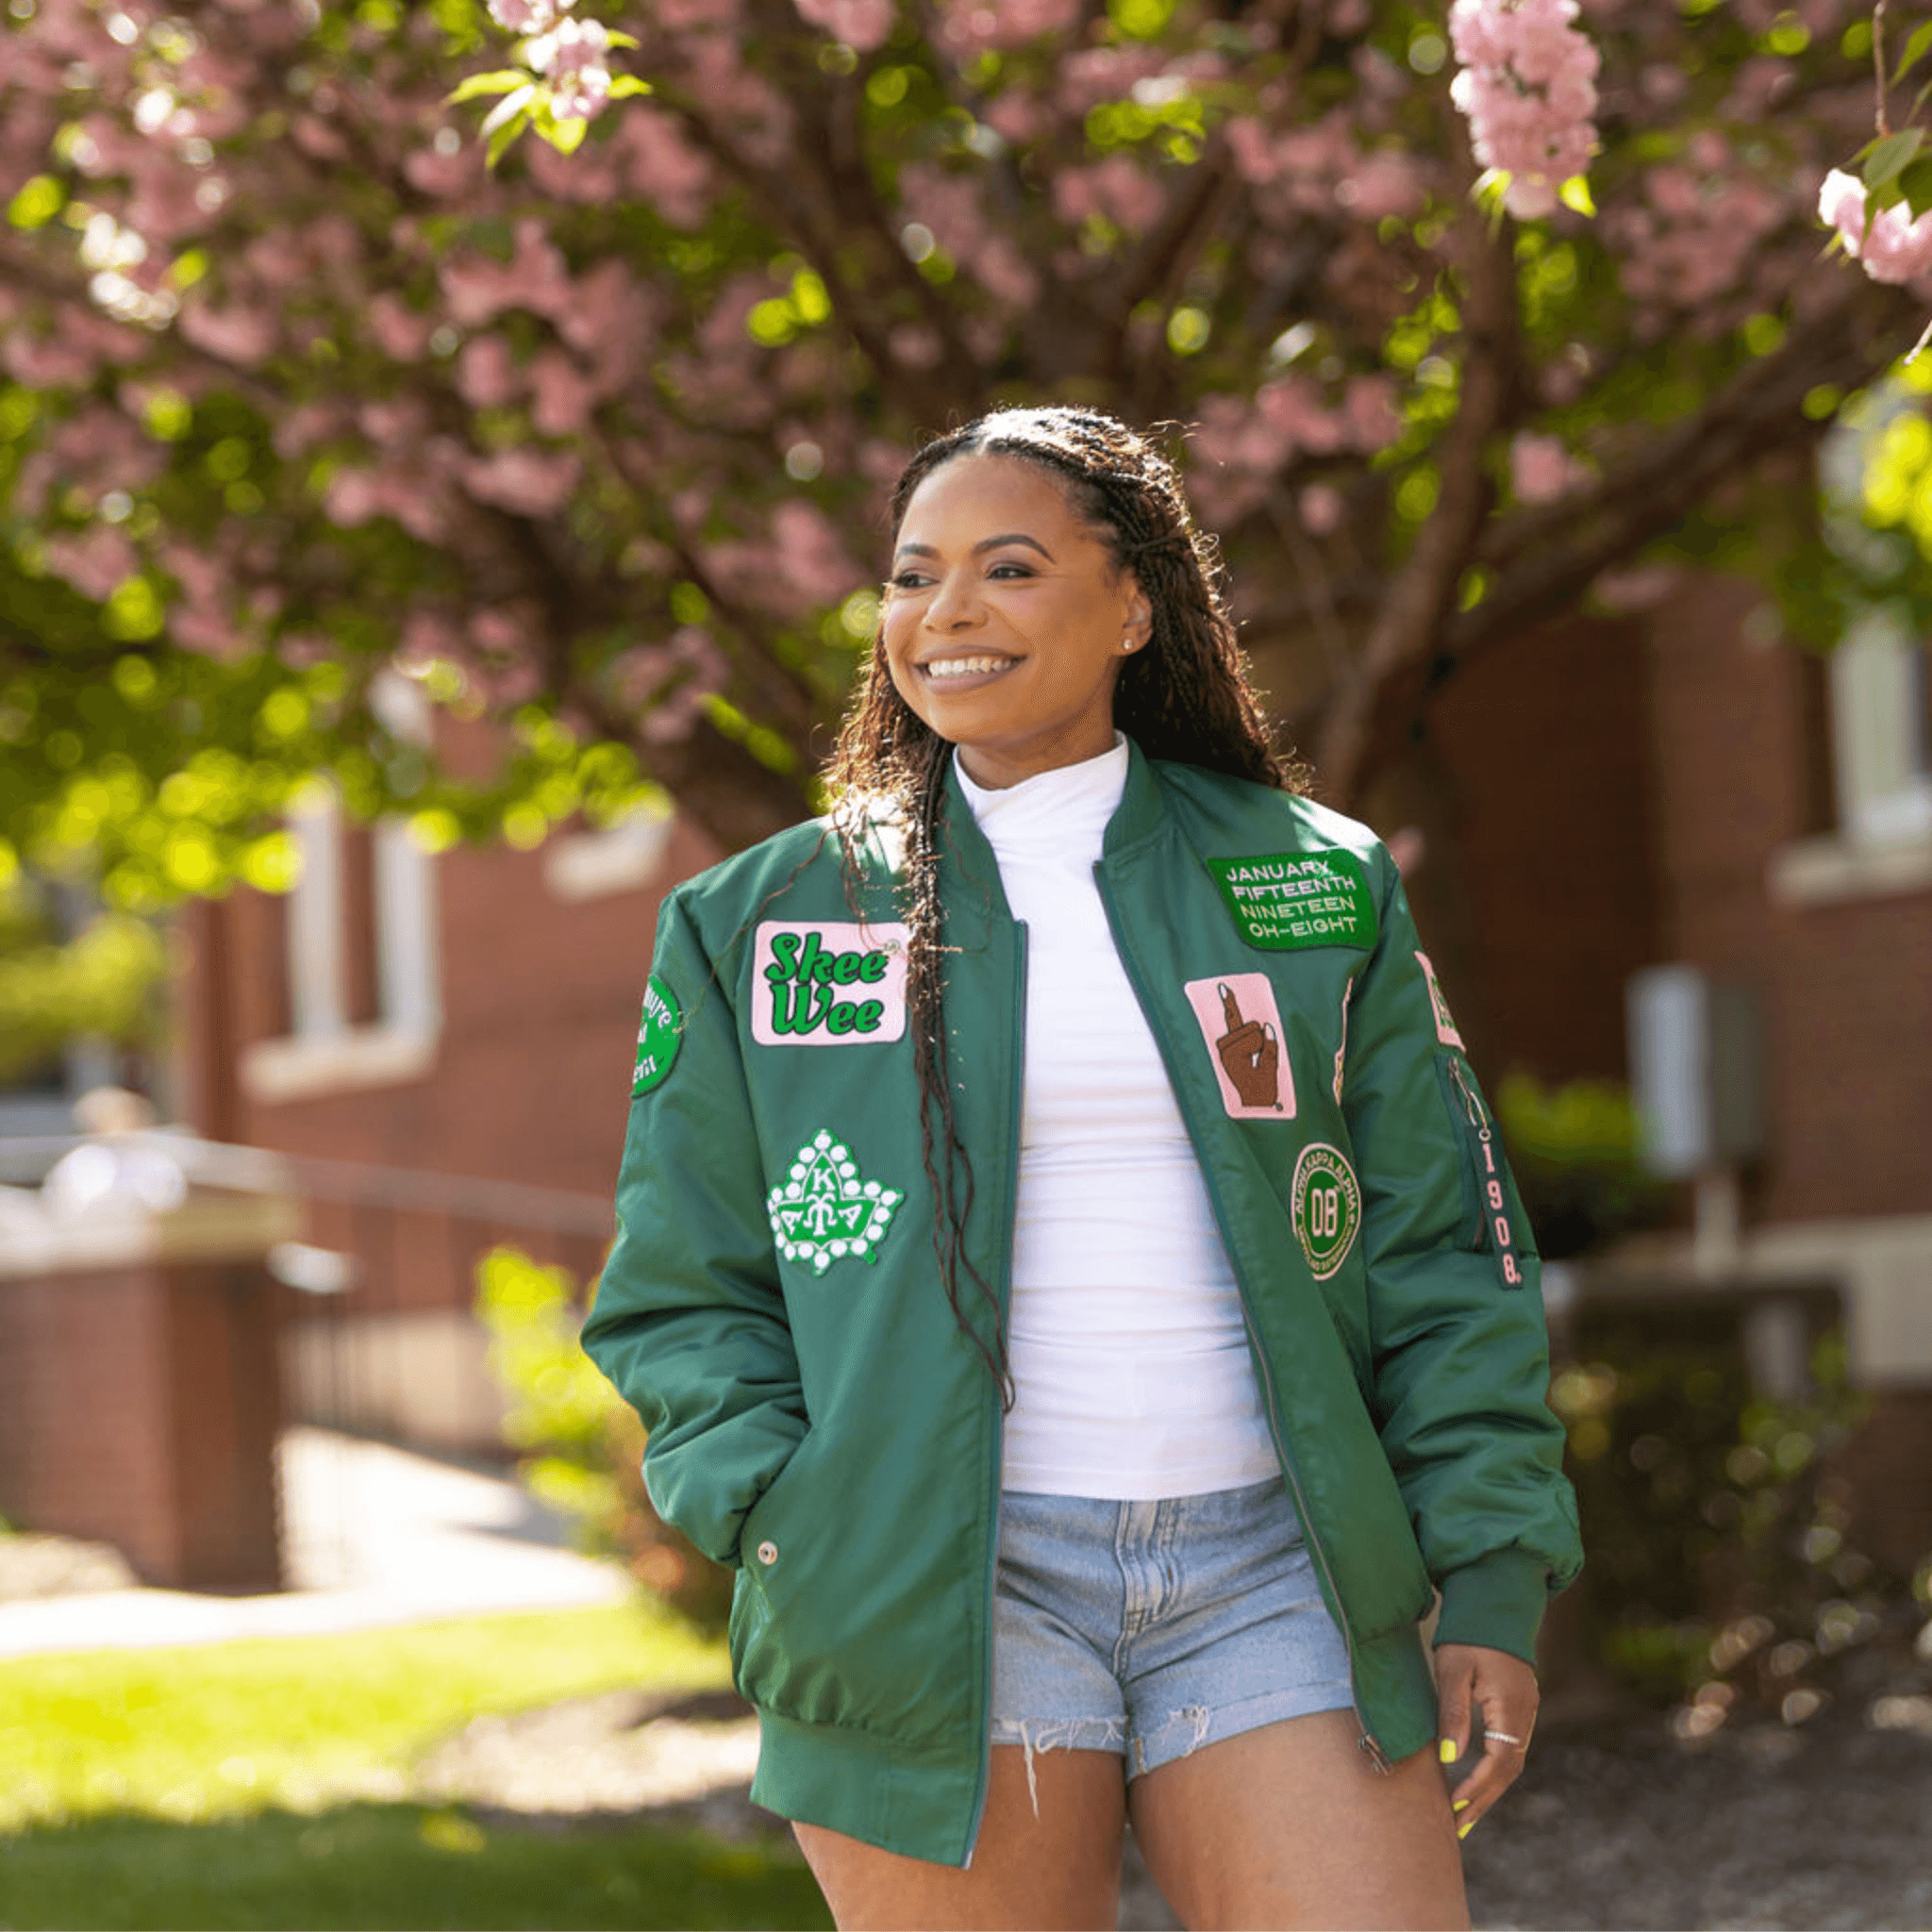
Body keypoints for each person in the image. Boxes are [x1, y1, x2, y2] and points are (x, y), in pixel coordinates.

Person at [582, 406, 1582, 1930]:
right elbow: (680, 1288)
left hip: (1273, 1567)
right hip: (937, 1585)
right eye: (913, 578)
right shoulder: (765, 921)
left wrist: (1492, 1568)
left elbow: (1441, 1251)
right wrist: (791, 1510)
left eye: (1009, 567)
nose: (948, 615)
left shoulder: (1310, 882)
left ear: (1135, 604)